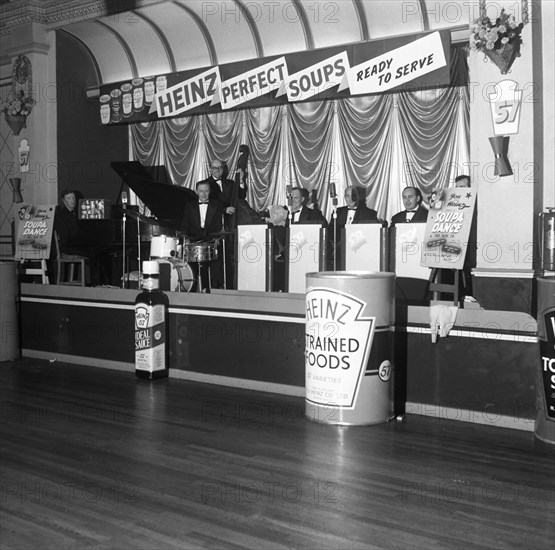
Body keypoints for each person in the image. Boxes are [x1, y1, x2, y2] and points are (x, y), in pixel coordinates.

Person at [181, 180, 224, 291]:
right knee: (193, 270)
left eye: (206, 191)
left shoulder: (217, 205)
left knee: (214, 269)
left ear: (210, 191)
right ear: (196, 191)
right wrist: (186, 239)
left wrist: (217, 239)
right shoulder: (189, 206)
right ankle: (193, 290)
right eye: (201, 191)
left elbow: (219, 226)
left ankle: (213, 289)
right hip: (194, 241)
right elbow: (185, 225)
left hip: (211, 241)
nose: (204, 194)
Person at [328, 186, 381, 269]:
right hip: (340, 254)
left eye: (354, 196)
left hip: (360, 255)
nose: (351, 199)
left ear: (358, 197)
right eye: (348, 196)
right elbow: (331, 231)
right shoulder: (337, 212)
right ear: (344, 197)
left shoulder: (369, 213)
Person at [53, 189, 98, 285]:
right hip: (66, 248)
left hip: (74, 245)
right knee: (92, 254)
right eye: (69, 198)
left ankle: (95, 282)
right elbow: (65, 239)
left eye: (73, 198)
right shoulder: (61, 216)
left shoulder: (77, 214)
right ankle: (92, 283)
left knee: (95, 252)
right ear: (63, 201)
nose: (72, 200)